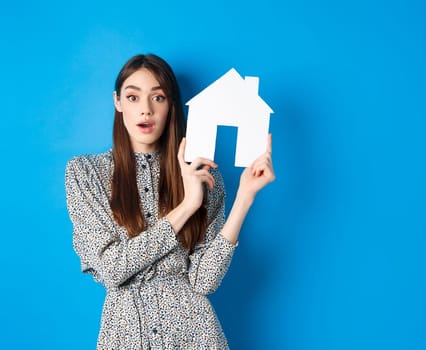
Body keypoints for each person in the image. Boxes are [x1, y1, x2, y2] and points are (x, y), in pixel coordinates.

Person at [65, 54, 275, 349]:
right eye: (133, 97)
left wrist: (244, 197)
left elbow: (204, 281)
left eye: (158, 97)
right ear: (117, 102)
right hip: (125, 335)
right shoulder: (86, 173)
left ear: (171, 105)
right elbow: (111, 269)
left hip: (196, 335)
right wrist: (187, 206)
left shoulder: (201, 175)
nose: (146, 110)